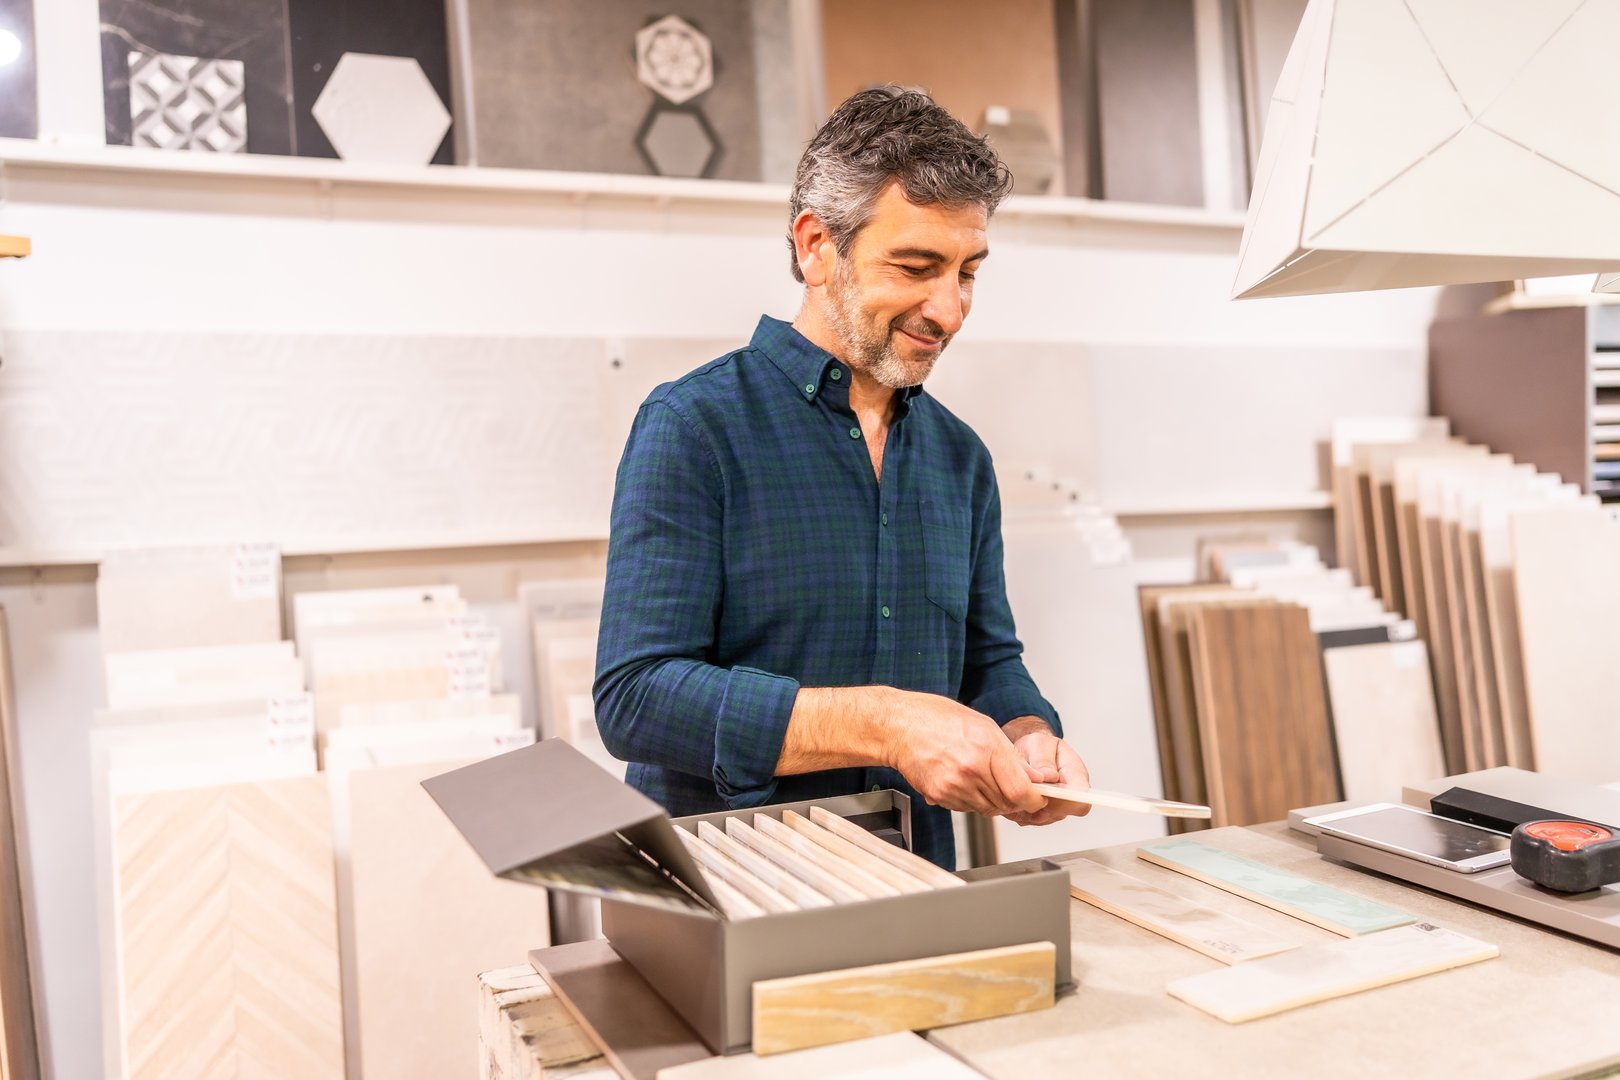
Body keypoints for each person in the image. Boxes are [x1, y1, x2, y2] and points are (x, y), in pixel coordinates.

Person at [594, 86, 1091, 869]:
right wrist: (884, 724)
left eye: (968, 272)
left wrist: (1028, 734)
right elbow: (637, 699)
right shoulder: (695, 428)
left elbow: (987, 662)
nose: (952, 309)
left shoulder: (960, 459)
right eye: (918, 267)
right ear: (816, 246)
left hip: (916, 878)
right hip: (740, 887)